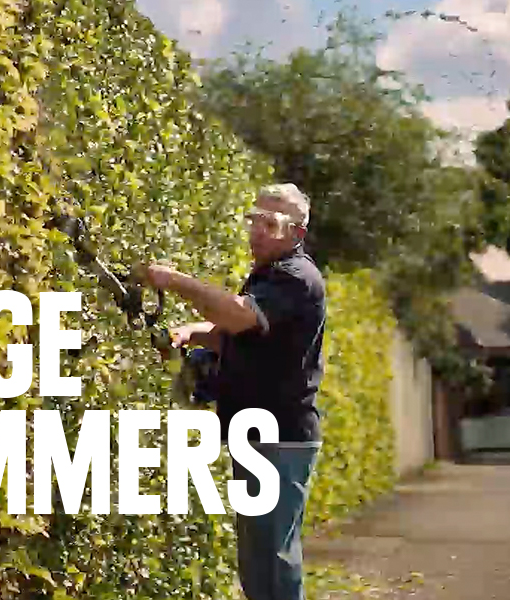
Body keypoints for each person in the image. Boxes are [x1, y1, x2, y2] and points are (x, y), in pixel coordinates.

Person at [137, 183, 326, 600]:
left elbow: (239, 318)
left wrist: (174, 281)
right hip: (260, 436)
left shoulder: (296, 277)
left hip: (280, 438)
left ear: (296, 233)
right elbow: (239, 334)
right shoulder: (271, 277)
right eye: (253, 220)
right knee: (258, 561)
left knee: (272, 561)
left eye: (270, 223)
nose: (257, 230)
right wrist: (191, 333)